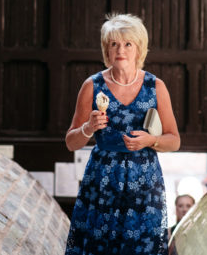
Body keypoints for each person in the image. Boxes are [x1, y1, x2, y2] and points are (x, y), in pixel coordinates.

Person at [64, 13, 180, 255]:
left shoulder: (155, 87)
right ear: (107, 49)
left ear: (139, 48)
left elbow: (174, 140)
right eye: (114, 43)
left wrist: (152, 140)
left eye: (128, 43)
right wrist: (88, 128)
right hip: (102, 180)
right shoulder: (92, 85)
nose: (121, 50)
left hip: (144, 184)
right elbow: (71, 142)